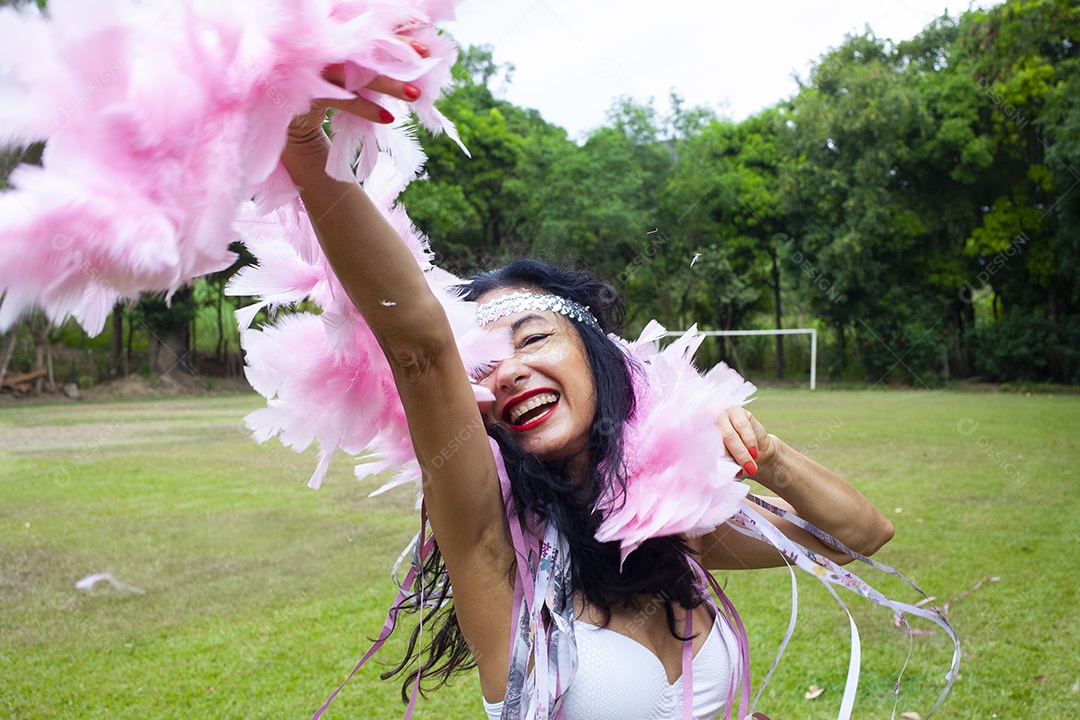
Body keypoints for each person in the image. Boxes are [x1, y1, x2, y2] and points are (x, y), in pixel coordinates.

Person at [281, 39, 895, 720]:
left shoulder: (671, 530)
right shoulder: (495, 552)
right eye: (482, 366)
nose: (509, 370)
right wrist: (308, 152)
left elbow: (859, 536)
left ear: (599, 356)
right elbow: (421, 347)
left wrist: (769, 457)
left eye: (534, 337)